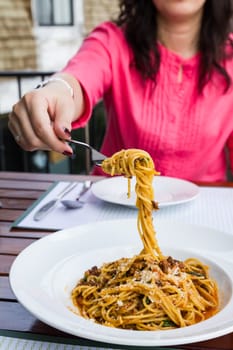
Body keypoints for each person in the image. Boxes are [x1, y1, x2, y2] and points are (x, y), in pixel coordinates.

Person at [8, 0, 233, 181]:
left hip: (204, 205)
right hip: (115, 204)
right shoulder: (113, 41)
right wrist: (57, 91)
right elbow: (80, 75)